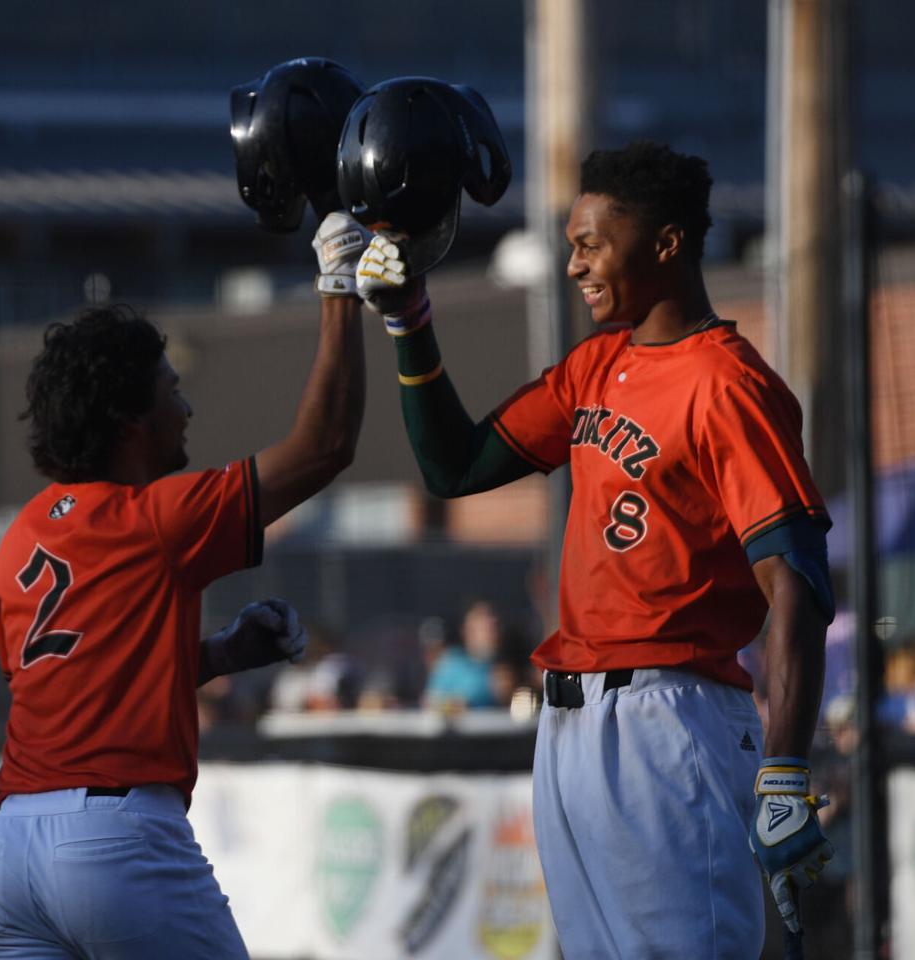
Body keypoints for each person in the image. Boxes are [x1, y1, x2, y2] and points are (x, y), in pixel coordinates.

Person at [356, 140, 834, 958]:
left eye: (592, 243)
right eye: (572, 243)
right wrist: (409, 322)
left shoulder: (727, 382)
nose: (574, 264)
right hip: (570, 724)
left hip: (670, 717)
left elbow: (795, 582)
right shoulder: (595, 364)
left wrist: (785, 771)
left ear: (667, 243)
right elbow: (456, 466)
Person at [0, 210, 368, 959]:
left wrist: (215, 654)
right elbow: (326, 445)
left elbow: (76, 681)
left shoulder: (19, 535)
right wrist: (339, 283)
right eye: (170, 389)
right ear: (128, 415)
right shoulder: (154, 515)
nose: (186, 406)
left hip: (6, 852)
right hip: (115, 841)